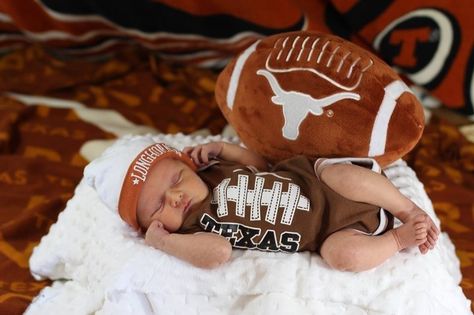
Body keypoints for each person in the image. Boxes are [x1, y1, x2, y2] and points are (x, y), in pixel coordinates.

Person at [84, 139, 439, 271]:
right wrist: (165, 242)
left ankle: (406, 209)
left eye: (176, 180)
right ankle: (398, 239)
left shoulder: (215, 171)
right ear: (148, 226)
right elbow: (218, 253)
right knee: (343, 257)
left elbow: (262, 164)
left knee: (342, 176)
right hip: (331, 232)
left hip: (315, 182)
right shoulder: (193, 230)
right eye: (158, 206)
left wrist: (224, 149)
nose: (176, 197)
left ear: (188, 165)